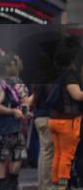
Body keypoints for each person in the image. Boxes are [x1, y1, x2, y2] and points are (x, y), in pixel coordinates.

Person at [0, 54, 29, 190]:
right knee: (4, 156)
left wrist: (23, 112)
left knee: (15, 156)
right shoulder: (0, 84)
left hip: (13, 128)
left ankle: (10, 183)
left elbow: (24, 104)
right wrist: (14, 111)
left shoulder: (13, 82)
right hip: (3, 129)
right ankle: (5, 185)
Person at [47, 36, 83, 190]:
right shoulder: (70, 75)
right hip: (67, 121)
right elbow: (77, 95)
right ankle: (62, 184)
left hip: (54, 119)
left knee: (58, 154)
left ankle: (55, 184)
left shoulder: (58, 73)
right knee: (67, 155)